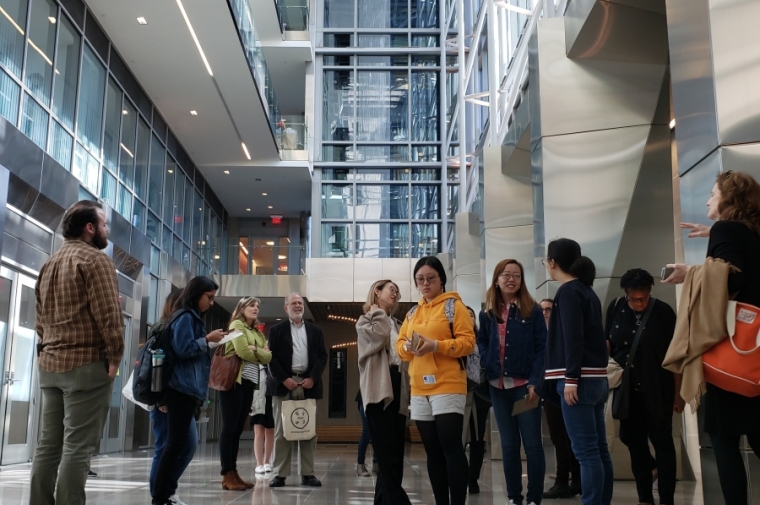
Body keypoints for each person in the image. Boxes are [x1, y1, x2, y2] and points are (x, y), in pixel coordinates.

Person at [663, 170, 760, 505]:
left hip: (732, 352)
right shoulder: (751, 232)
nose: (707, 198)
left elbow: (727, 283)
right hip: (755, 350)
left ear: (729, 198)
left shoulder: (726, 230)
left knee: (724, 438)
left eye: (713, 192)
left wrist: (692, 272)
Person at [30, 201, 125, 505]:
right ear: (90, 228)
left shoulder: (50, 263)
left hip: (50, 366)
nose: (106, 229)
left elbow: (39, 320)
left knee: (48, 446)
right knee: (77, 447)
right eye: (104, 224)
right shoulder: (96, 260)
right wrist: (115, 356)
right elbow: (108, 315)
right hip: (85, 365)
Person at [396, 256, 475, 505]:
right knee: (431, 450)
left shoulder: (454, 306)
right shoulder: (412, 312)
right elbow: (399, 346)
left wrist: (436, 345)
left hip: (448, 384)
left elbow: (467, 343)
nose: (425, 283)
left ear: (441, 279)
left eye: (431, 278)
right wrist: (410, 348)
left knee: (451, 446)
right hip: (419, 387)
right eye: (420, 279)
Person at [543, 238, 613, 505]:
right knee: (598, 450)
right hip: (595, 379)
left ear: (552, 263)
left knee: (585, 452)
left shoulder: (568, 291)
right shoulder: (586, 290)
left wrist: (571, 378)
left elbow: (573, 338)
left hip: (577, 380)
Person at [605, 269, 680, 505]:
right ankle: (645, 498)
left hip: (658, 388)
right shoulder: (616, 307)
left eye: (644, 297)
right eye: (634, 299)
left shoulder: (663, 312)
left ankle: (667, 499)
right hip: (627, 390)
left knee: (663, 444)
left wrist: (678, 394)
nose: (639, 303)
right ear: (625, 293)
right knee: (634, 443)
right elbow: (608, 343)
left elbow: (676, 356)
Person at [151, 277, 227, 505]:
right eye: (209, 298)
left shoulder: (189, 318)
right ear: (196, 295)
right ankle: (161, 496)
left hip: (184, 388)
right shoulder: (185, 317)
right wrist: (207, 340)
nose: (211, 303)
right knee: (174, 444)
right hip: (179, 388)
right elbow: (184, 349)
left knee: (177, 444)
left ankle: (163, 494)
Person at [478, 259, 546, 505]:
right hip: (498, 388)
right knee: (508, 445)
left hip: (523, 388)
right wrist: (487, 358)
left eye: (516, 275)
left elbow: (542, 349)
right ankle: (514, 498)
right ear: (496, 279)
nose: (511, 279)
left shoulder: (532, 309)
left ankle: (534, 499)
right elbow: (482, 341)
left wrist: (535, 382)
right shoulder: (487, 312)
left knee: (531, 445)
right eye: (506, 275)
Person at [357, 279, 411, 505]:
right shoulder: (366, 320)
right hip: (378, 388)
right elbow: (378, 337)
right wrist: (378, 311)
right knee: (386, 452)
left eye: (398, 292)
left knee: (397, 452)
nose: (396, 294)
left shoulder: (397, 323)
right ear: (377, 292)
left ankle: (382, 502)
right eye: (392, 290)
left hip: (398, 386)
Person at [267, 293, 328, 488]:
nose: (297, 306)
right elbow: (271, 358)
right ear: (286, 308)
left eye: (300, 303)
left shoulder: (315, 331)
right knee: (282, 431)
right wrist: (285, 379)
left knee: (308, 430)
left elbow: (322, 357)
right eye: (293, 303)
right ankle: (280, 474)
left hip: (309, 385)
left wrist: (312, 378)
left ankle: (308, 474)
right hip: (283, 384)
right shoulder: (276, 330)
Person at [219, 297, 272, 490]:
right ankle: (226, 473)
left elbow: (268, 356)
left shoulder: (255, 332)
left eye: (258, 305)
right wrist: (259, 352)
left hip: (249, 383)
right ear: (242, 308)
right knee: (230, 429)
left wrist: (255, 349)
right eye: (252, 305)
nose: (256, 308)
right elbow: (242, 352)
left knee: (238, 429)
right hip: (234, 382)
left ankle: (234, 473)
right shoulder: (236, 325)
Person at [149, 291, 195, 505]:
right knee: (165, 445)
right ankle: (160, 492)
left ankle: (166, 489)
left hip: (178, 395)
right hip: (165, 396)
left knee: (184, 445)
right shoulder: (164, 328)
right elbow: (159, 367)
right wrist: (161, 399)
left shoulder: (177, 326)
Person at [540, 298, 581, 499]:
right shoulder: (538, 334)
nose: (545, 313)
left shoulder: (561, 332)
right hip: (548, 389)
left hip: (566, 385)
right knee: (558, 437)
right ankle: (563, 480)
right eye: (542, 310)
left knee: (571, 436)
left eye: (549, 309)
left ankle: (574, 479)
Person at [465, 306, 491, 495]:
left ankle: (473, 478)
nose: (468, 317)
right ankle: (459, 475)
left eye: (471, 315)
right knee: (457, 439)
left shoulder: (482, 339)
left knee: (476, 439)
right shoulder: (454, 339)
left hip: (480, 395)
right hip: (458, 394)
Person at [251, 364, 275, 475]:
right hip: (258, 400)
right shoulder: (256, 366)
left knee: (270, 431)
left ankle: (267, 462)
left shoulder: (272, 367)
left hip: (271, 399)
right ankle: (259, 463)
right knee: (259, 432)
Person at [355, 390, 377, 476]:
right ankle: (360, 465)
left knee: (377, 433)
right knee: (367, 433)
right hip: (366, 400)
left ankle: (376, 463)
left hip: (376, 401)